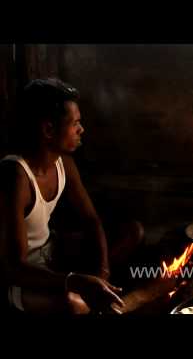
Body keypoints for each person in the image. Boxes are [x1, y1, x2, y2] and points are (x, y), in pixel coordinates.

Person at [0, 78, 145, 314]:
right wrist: (75, 281)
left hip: (52, 250)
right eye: (75, 123)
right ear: (48, 130)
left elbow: (91, 220)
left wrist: (101, 272)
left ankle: (95, 289)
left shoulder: (63, 162)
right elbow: (14, 267)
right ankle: (84, 296)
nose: (82, 129)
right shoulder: (14, 175)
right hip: (22, 278)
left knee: (132, 231)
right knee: (72, 304)